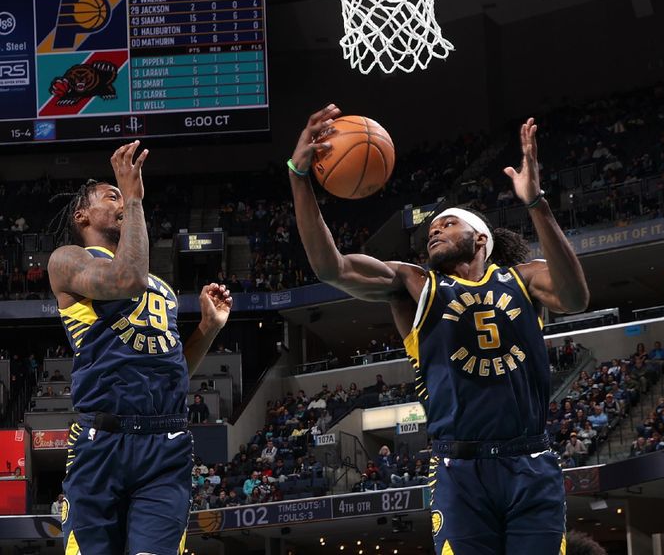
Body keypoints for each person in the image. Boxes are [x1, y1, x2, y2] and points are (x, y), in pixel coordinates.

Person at [289, 106, 589, 554]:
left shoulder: (523, 278)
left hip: (531, 461)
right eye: (432, 227)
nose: (435, 231)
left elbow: (576, 298)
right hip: (459, 469)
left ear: (480, 239)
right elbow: (331, 267)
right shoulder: (414, 284)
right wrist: (298, 174)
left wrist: (535, 203)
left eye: (448, 223)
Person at [47, 141, 233, 555]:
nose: (119, 197)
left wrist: (207, 329)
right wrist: (131, 197)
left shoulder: (159, 286)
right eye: (108, 195)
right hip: (102, 444)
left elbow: (171, 366)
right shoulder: (68, 260)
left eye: (120, 194)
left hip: (166, 444)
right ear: (82, 216)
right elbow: (125, 280)